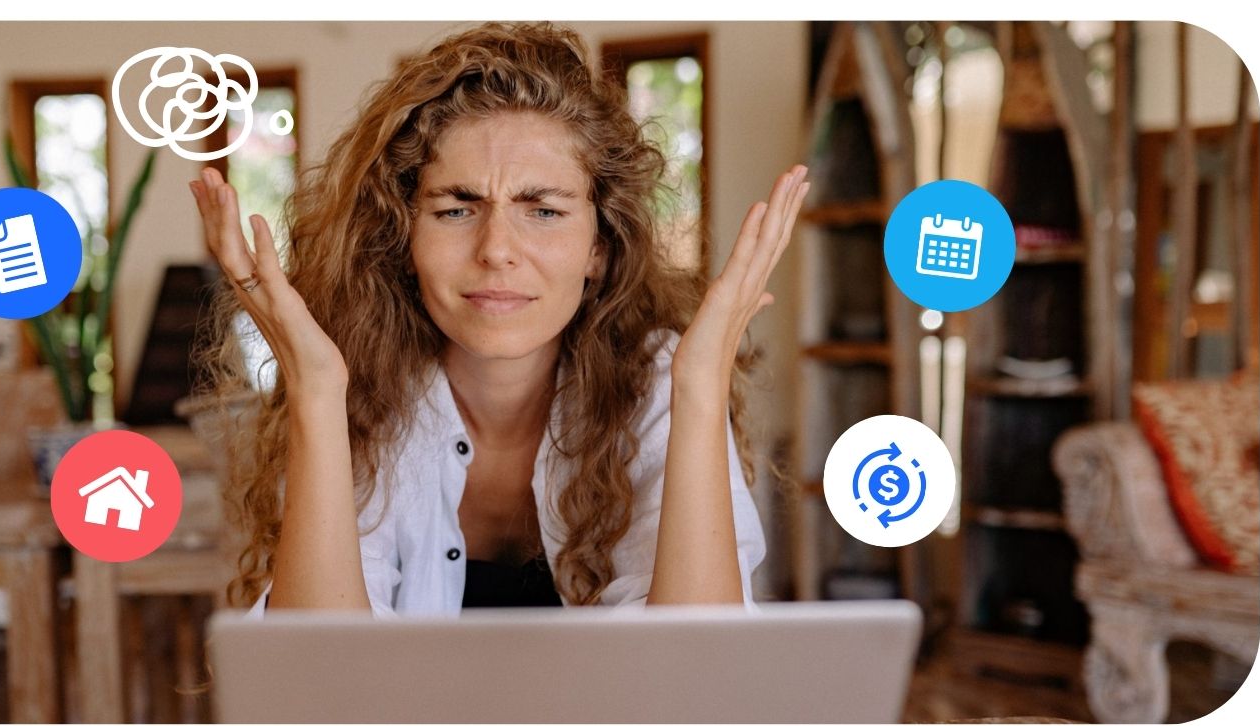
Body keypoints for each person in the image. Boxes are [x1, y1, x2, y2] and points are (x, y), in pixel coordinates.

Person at [188, 21, 808, 615]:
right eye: (457, 210)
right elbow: (318, 685)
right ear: (403, 238)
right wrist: (317, 393)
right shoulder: (358, 387)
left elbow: (695, 682)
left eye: (543, 211)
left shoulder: (655, 380)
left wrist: (699, 385)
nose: (496, 249)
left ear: (599, 246)